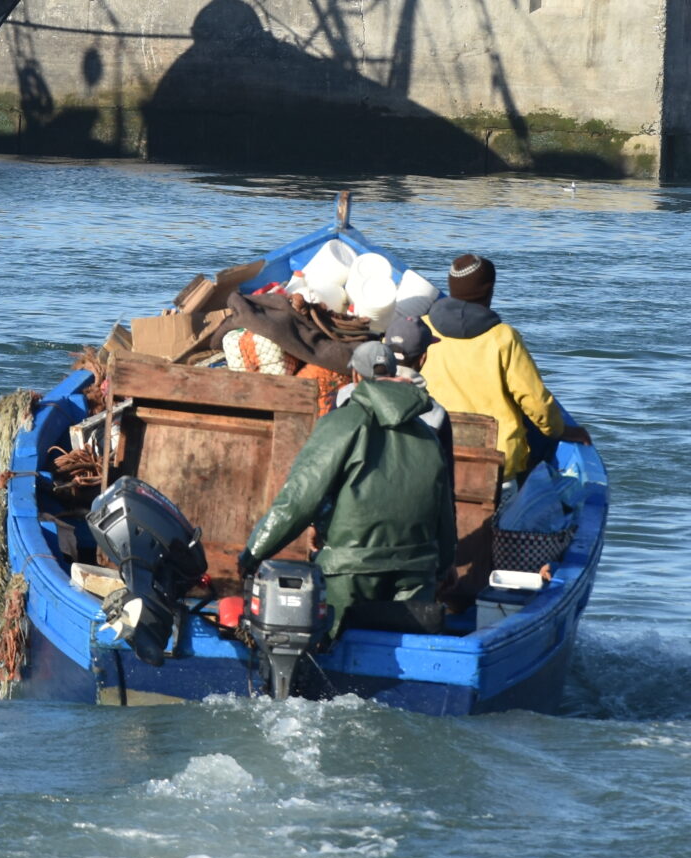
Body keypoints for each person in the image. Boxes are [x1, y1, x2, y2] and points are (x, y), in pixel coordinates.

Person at [238, 342, 456, 639]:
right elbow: (444, 511)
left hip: (349, 570)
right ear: (393, 373)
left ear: (354, 377)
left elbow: (298, 501)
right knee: (404, 649)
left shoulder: (340, 423)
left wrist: (252, 555)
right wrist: (441, 568)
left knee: (333, 649)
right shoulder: (427, 434)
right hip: (417, 571)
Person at [418, 252, 589, 487]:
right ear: (488, 291)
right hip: (495, 464)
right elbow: (535, 401)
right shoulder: (503, 338)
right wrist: (559, 430)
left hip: (431, 451)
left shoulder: (423, 329)